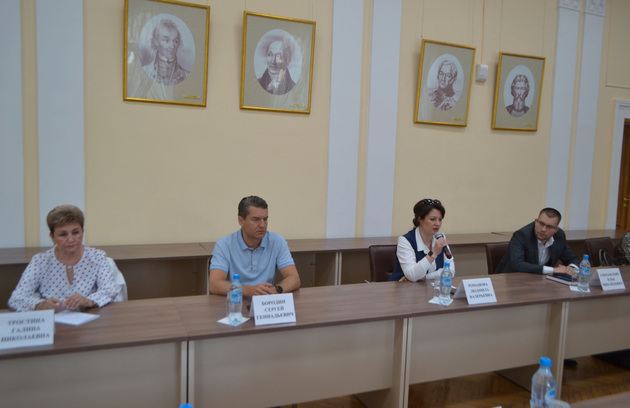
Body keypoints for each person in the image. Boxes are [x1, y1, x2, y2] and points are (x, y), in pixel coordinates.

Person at [8, 205, 118, 312]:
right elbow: (17, 298)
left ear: (83, 232)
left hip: (89, 318)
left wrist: (89, 301)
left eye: (75, 232)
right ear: (52, 237)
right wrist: (39, 305)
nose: (71, 239)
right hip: (52, 320)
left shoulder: (98, 257)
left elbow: (109, 291)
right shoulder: (40, 261)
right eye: (63, 234)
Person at [208, 196, 301, 297]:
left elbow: (294, 279)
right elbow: (214, 284)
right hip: (236, 302)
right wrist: (250, 291)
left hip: (265, 302)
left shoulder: (277, 241)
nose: (262, 225)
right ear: (241, 221)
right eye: (256, 219)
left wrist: (274, 291)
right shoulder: (224, 244)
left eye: (265, 219)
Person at [495, 207, 580, 275]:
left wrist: (571, 268)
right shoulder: (522, 235)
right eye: (541, 223)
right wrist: (553, 270)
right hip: (512, 279)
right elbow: (518, 265)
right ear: (536, 221)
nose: (543, 229)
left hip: (540, 281)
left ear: (556, 230)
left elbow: (572, 258)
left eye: (549, 227)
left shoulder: (559, 236)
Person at [389, 199, 455, 282]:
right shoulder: (405, 241)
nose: (437, 224)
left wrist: (426, 277)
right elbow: (412, 275)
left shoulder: (440, 237)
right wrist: (434, 253)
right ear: (420, 219)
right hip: (403, 287)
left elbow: (450, 271)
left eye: (440, 219)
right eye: (433, 219)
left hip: (429, 287)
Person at [142, 18, 189, 86]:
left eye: (175, 41)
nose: (172, 46)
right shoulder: (145, 71)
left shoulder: (186, 75)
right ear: (156, 41)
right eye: (166, 40)